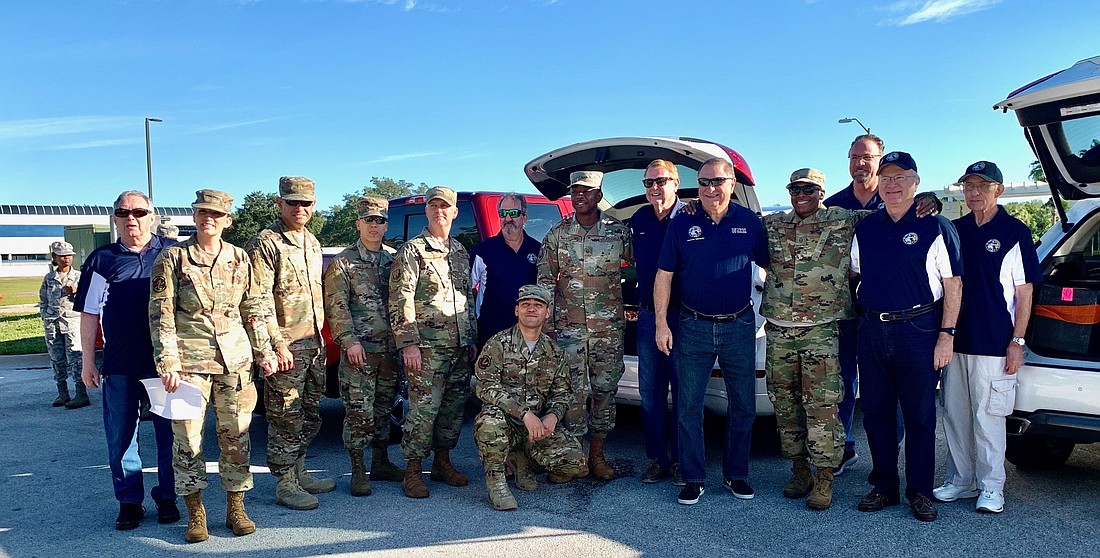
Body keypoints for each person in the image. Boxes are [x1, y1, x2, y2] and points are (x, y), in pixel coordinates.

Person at [149, 189, 276, 542]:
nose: (209, 218)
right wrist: (167, 359)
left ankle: (236, 508)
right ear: (194, 216)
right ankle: (196, 513)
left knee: (236, 436)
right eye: (203, 212)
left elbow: (254, 308)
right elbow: (161, 312)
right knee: (187, 439)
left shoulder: (239, 258)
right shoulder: (173, 258)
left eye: (216, 214)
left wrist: (264, 349)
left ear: (227, 221)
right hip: (188, 362)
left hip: (235, 361)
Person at [851, 151, 962, 522]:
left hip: (919, 328)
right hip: (872, 329)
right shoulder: (865, 228)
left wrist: (946, 335)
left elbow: (953, 284)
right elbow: (855, 273)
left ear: (916, 182)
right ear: (878, 184)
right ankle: (883, 485)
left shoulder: (936, 225)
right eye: (886, 178)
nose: (892, 184)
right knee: (876, 413)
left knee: (919, 415)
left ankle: (920, 491)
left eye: (900, 177)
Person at [655, 157, 769, 505]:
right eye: (703, 183)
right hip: (693, 325)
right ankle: (692, 477)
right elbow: (664, 275)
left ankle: (737, 475)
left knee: (744, 406)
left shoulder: (750, 223)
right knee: (688, 406)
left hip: (739, 326)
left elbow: (772, 268)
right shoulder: (682, 224)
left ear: (731, 183)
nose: (709, 189)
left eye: (717, 181)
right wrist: (661, 323)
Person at [934, 161, 1040, 514]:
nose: (974, 192)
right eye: (968, 186)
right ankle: (961, 480)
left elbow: (1024, 293)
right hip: (955, 341)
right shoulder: (955, 228)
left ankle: (992, 486)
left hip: (995, 343)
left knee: (988, 416)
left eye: (982, 185)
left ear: (999, 189)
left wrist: (1018, 342)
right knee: (956, 415)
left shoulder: (1014, 232)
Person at [74, 190, 179, 531]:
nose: (130, 218)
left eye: (138, 211)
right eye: (123, 212)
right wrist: (88, 361)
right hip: (120, 365)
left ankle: (168, 496)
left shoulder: (172, 253)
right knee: (121, 436)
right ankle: (129, 501)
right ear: (115, 218)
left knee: (172, 434)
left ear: (152, 216)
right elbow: (89, 314)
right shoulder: (101, 259)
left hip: (166, 365)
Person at [762, 168, 866, 510]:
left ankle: (824, 475)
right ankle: (798, 469)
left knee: (821, 405)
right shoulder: (774, 223)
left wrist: (927, 202)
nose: (800, 194)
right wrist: (690, 208)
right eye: (795, 188)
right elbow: (732, 222)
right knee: (785, 403)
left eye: (808, 189)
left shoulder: (843, 218)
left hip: (821, 329)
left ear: (821, 192)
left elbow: (894, 215)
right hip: (778, 327)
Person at [536, 170, 633, 481]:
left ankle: (598, 456)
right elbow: (545, 281)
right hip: (569, 330)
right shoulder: (557, 234)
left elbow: (637, 272)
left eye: (586, 191)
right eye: (575, 191)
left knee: (605, 391)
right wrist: (546, 327)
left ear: (598, 196)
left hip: (608, 330)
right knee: (573, 393)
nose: (579, 196)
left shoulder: (619, 233)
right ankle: (574, 458)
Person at [246, 176, 333, 511]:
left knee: (310, 413)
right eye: (293, 202)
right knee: (285, 415)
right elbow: (257, 299)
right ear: (279, 203)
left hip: (313, 345)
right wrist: (273, 345)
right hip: (286, 348)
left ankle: (299, 470)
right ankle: (284, 483)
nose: (300, 208)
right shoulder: (266, 242)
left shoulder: (311, 242)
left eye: (306, 203)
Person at [389, 186, 478, 499]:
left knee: (453, 409)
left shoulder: (460, 251)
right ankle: (413, 469)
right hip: (426, 348)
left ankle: (442, 461)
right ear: (426, 211)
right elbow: (401, 298)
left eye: (445, 206)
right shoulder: (413, 250)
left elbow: (466, 298)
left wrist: (470, 337)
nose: (439, 211)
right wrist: (408, 343)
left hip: (458, 346)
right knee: (424, 411)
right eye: (433, 206)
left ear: (455, 212)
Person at [473, 284, 585, 510]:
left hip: (537, 427)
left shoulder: (555, 352)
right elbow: (484, 386)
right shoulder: (498, 344)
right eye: (525, 305)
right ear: (517, 310)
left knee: (575, 462)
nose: (531, 309)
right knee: (488, 424)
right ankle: (497, 483)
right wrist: (523, 414)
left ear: (547, 312)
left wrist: (552, 416)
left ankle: (524, 460)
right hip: (506, 421)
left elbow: (562, 393)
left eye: (538, 305)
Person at [323, 196, 404, 497]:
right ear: (358, 223)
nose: (374, 225)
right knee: (359, 412)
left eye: (379, 220)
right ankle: (357, 469)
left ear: (386, 225)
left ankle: (381, 462)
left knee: (385, 409)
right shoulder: (343, 262)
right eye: (368, 220)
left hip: (389, 350)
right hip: (360, 352)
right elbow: (336, 306)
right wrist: (349, 341)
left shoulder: (394, 260)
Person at [630, 159, 686, 485]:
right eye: (648, 183)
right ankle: (657, 459)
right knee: (650, 393)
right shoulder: (638, 219)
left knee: (683, 391)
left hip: (683, 317)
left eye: (660, 181)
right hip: (648, 316)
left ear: (675, 183)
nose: (654, 188)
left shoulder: (692, 217)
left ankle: (680, 459)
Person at [470, 193, 542, 349]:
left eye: (513, 213)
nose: (508, 218)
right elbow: (465, 289)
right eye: (503, 213)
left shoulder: (538, 250)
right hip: (490, 337)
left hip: (528, 336)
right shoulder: (484, 250)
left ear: (524, 217)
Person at [39, 240, 86, 409]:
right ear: (55, 257)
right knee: (56, 359)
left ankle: (81, 394)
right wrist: (45, 316)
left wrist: (77, 292)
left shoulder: (80, 277)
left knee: (76, 357)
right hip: (53, 323)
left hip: (72, 321)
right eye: (62, 256)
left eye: (69, 256)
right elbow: (43, 300)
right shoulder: (49, 278)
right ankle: (63, 393)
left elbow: (88, 299)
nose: (66, 259)